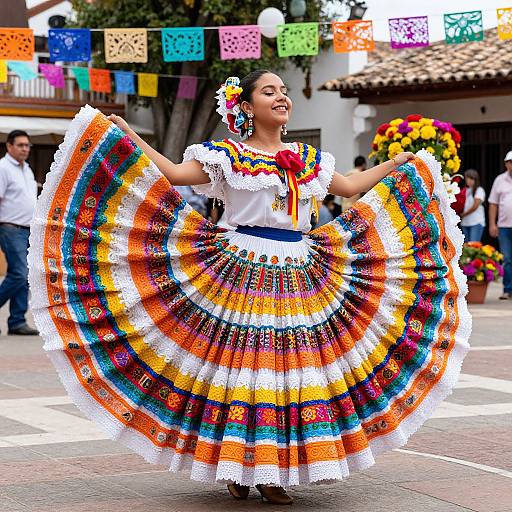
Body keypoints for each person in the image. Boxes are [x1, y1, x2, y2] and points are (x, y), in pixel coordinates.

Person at [29, 71, 470, 506]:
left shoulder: (309, 158)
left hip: (300, 270)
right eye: (269, 91)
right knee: (245, 370)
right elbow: (172, 174)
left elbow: (352, 187)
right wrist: (128, 137)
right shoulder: (226, 154)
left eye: (284, 91)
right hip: (242, 270)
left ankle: (269, 470)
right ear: (247, 106)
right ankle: (240, 468)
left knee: (289, 371)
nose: (281, 97)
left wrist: (401, 164)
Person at [0, 130, 39, 335]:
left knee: (26, 276)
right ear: (9, 146)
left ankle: (16, 321)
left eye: (27, 145)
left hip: (28, 230)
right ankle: (16, 320)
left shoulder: (27, 169)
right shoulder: (3, 168)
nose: (25, 149)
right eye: (21, 145)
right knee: (19, 273)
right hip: (10, 228)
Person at [489, 151, 512, 300]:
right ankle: (508, 289)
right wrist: (492, 224)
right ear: (506, 163)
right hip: (504, 226)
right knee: (507, 259)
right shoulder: (499, 180)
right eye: (510, 162)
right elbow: (493, 204)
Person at [460, 169, 485, 242]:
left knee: (473, 247)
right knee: (465, 248)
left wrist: (463, 214)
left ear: (476, 180)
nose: (469, 180)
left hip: (476, 222)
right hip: (465, 222)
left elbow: (475, 206)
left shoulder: (479, 190)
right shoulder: (466, 190)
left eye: (471, 178)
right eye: (467, 178)